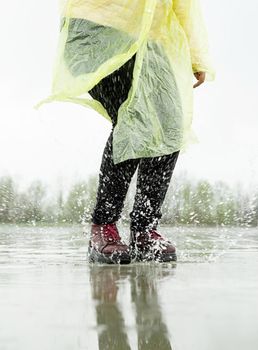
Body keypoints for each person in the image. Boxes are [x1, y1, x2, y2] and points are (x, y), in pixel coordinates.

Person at [36, 0, 215, 264]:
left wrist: (197, 54)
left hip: (153, 40)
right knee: (134, 117)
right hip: (99, 25)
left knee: (170, 124)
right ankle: (103, 225)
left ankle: (144, 229)